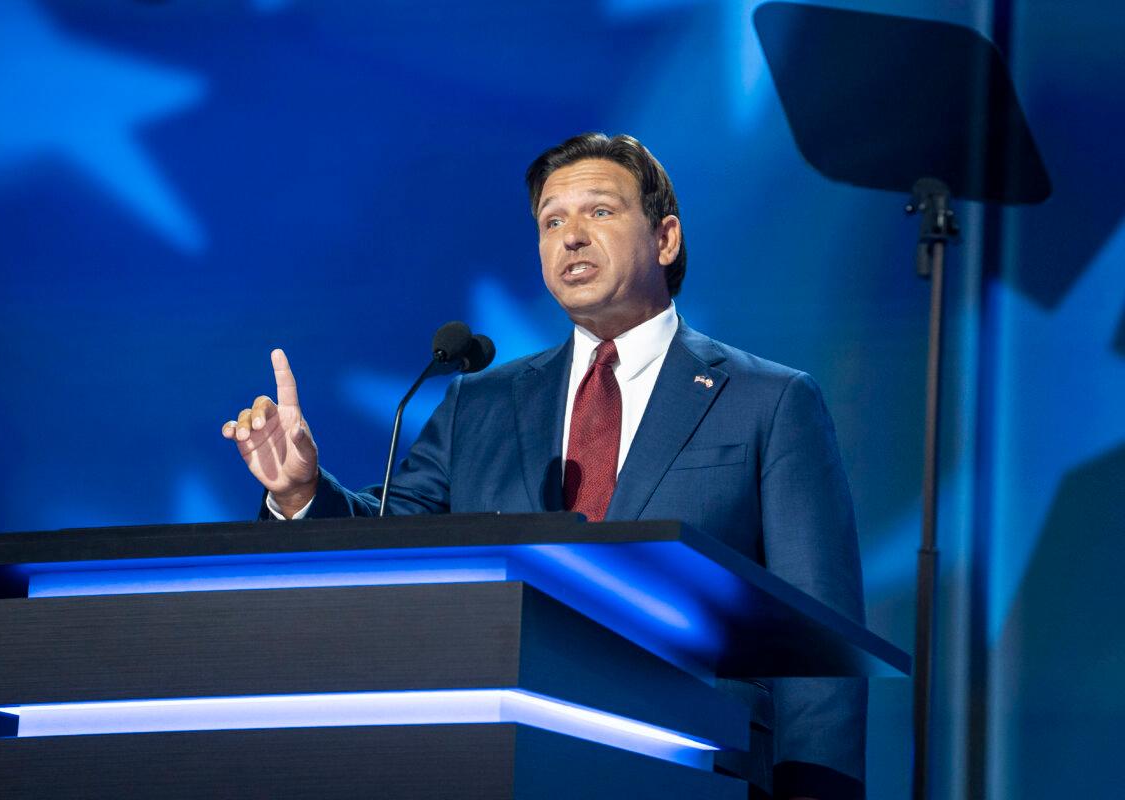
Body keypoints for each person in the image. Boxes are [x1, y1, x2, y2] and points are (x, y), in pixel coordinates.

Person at [222, 133, 866, 800]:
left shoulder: (769, 401)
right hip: (503, 765)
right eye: (552, 221)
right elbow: (391, 535)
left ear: (666, 238)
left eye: (600, 212)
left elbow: (819, 653)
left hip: (697, 772)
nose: (571, 237)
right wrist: (301, 492)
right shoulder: (481, 402)